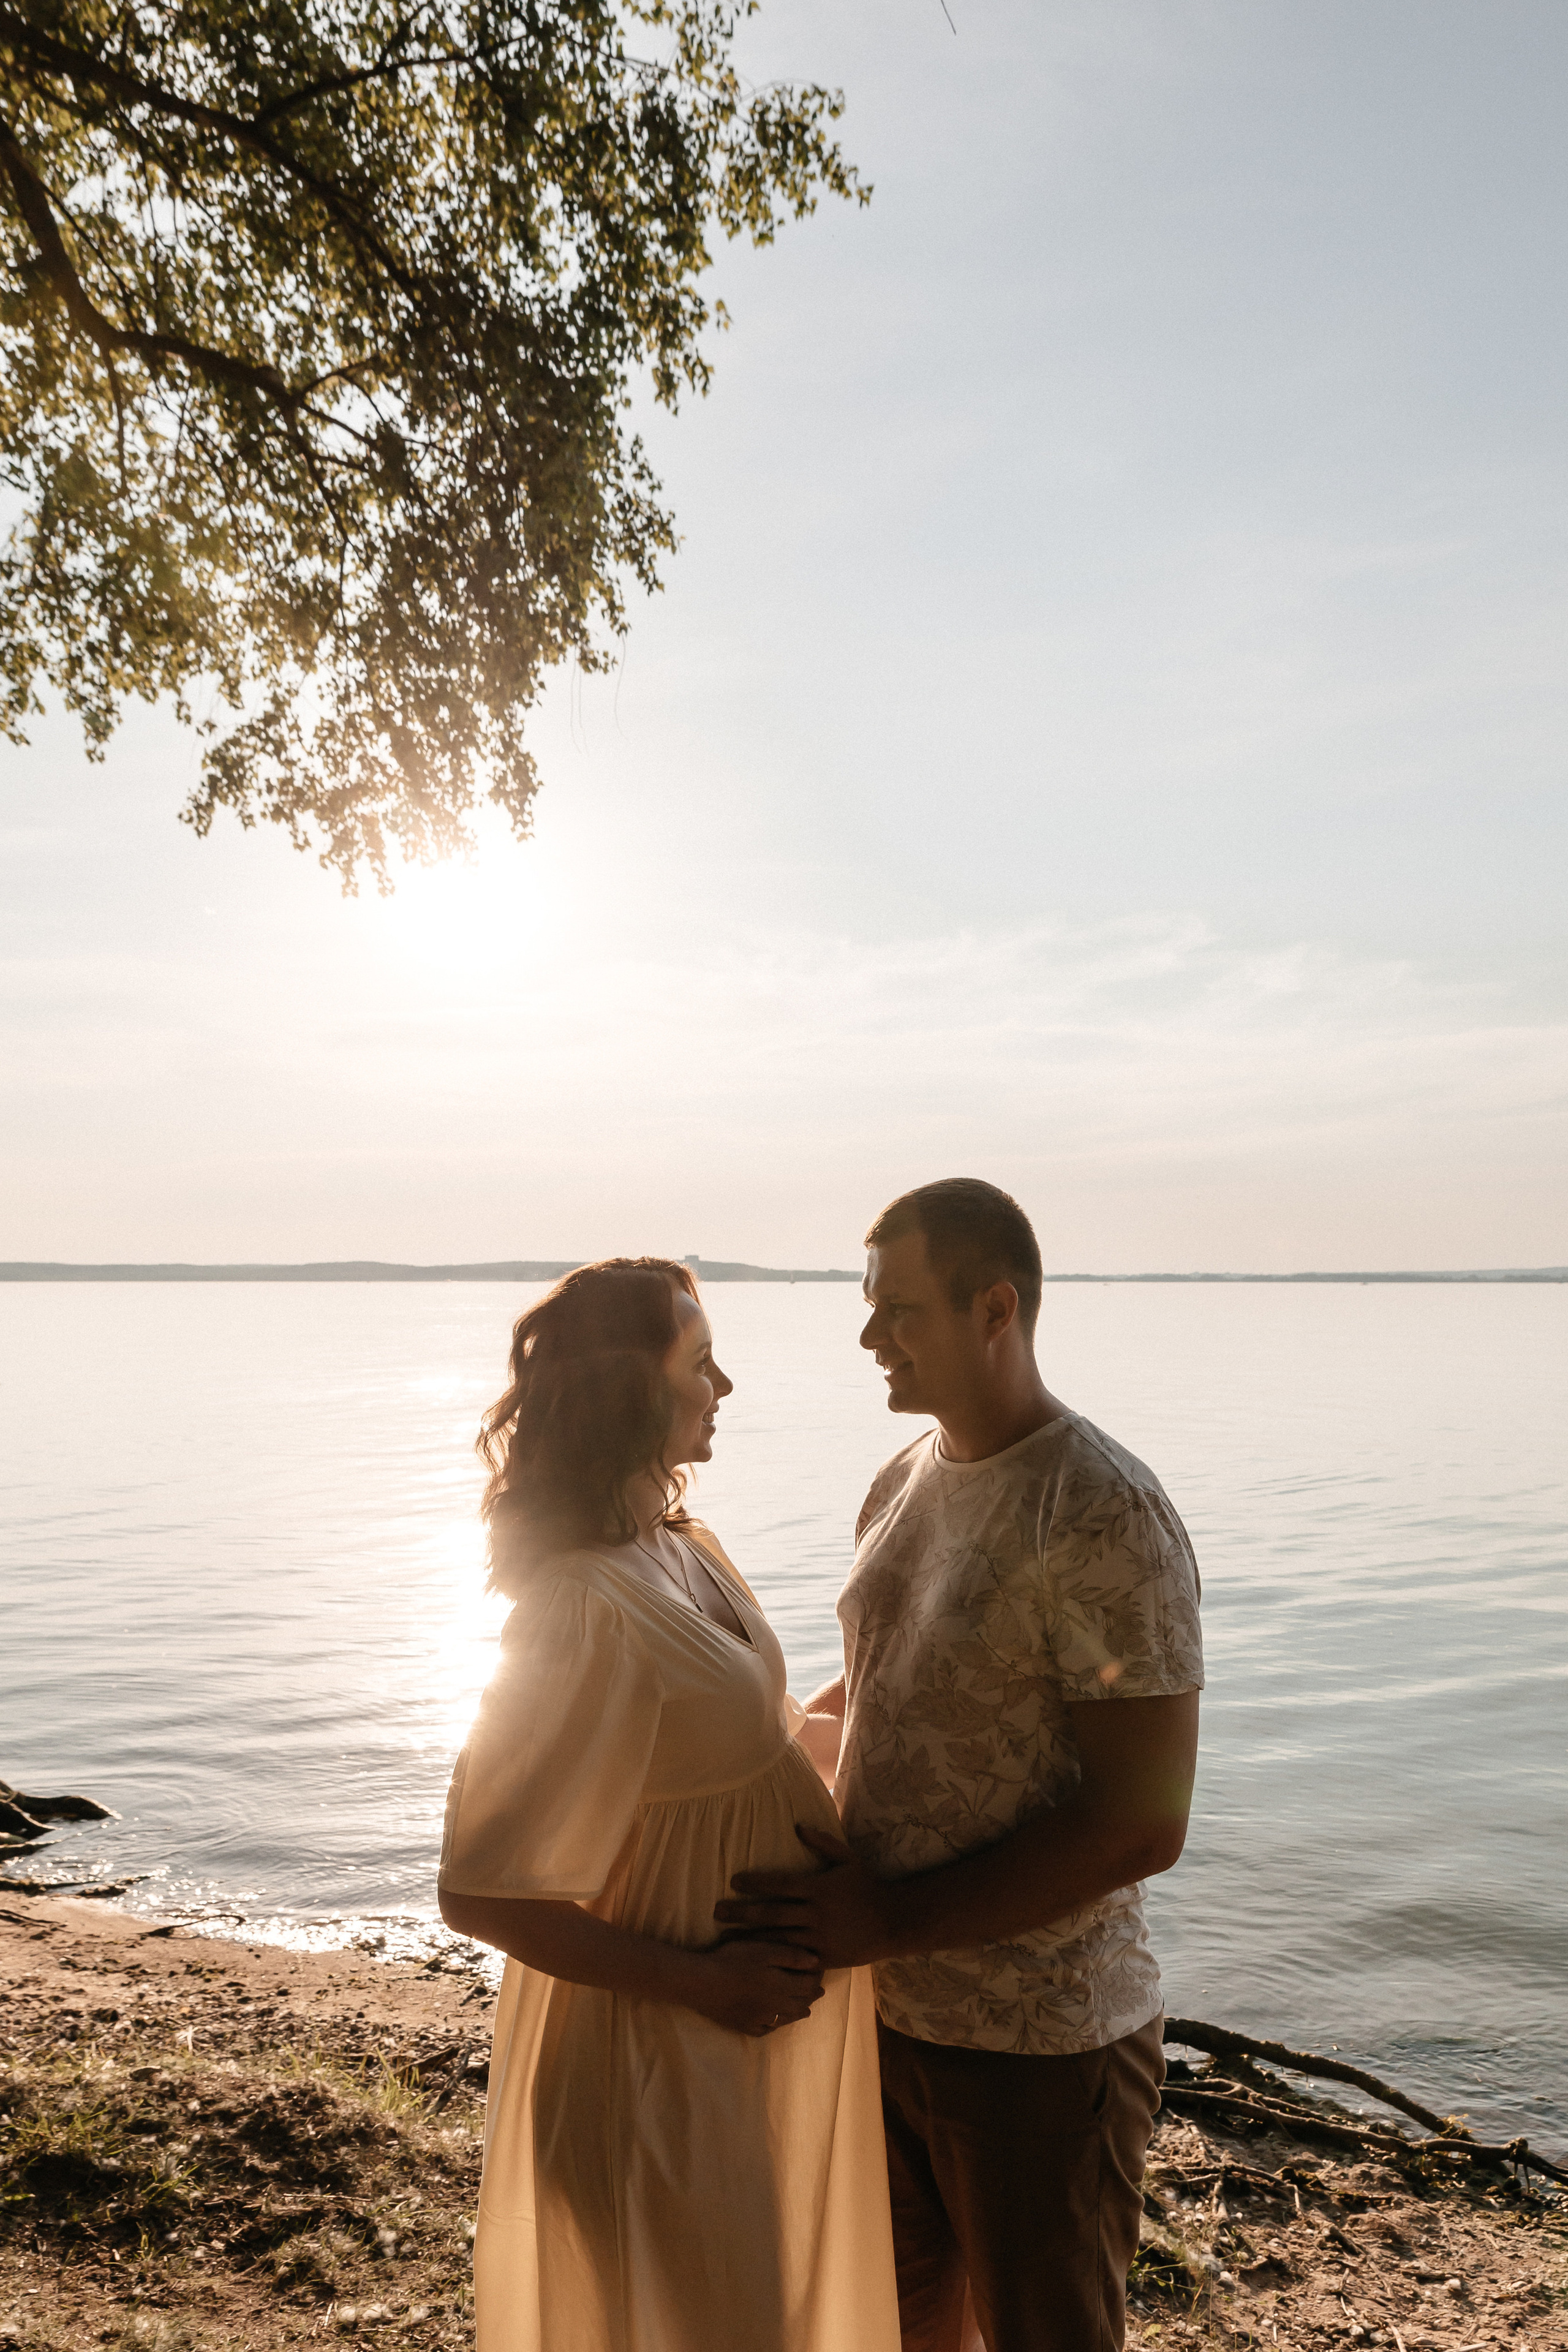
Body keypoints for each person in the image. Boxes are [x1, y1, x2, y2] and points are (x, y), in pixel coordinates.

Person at [717, 1182, 1204, 2352]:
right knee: (891, 2332)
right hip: (884, 2019)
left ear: (996, 1308)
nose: (870, 1337)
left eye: (900, 1312)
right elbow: (879, 1687)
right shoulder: (902, 1479)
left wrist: (878, 1919)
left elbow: (1142, 1823)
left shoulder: (1102, 1513)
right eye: (870, 1306)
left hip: (1039, 2046)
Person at [437, 1256, 899, 2352]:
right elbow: (477, 1890)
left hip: (730, 2045)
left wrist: (921, 1659)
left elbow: (767, 1744)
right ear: (630, 1390)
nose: (725, 1386)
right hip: (657, 2058)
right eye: (700, 1364)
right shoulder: (577, 1605)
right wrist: (709, 1982)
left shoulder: (681, 1547)